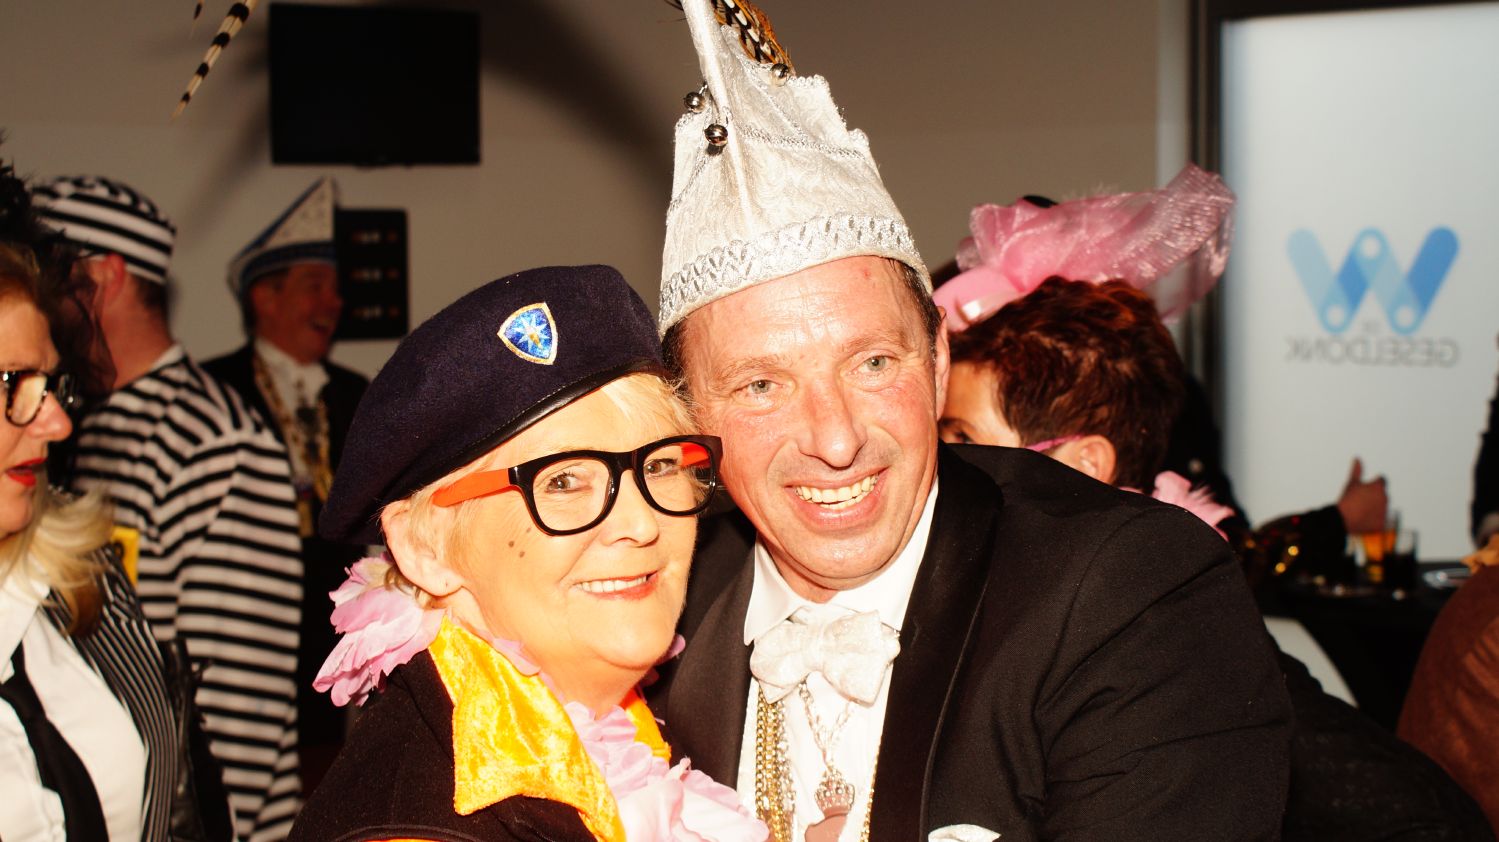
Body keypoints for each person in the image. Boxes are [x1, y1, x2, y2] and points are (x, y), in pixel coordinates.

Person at [646, 3, 1290, 840]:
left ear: (938, 362)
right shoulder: (648, 602)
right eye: (761, 385)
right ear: (689, 415)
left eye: (873, 364)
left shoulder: (1125, 591)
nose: (835, 440)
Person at [941, 275, 1493, 840]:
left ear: (1085, 466)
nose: (941, 464)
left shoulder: (1174, 637)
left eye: (962, 439)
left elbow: (1423, 819)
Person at [290, 264, 765, 841]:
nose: (641, 524)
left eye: (661, 465)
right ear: (424, 547)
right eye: (564, 481)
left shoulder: (627, 727)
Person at [33, 175, 305, 841]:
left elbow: (235, 717)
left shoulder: (215, 440)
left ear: (106, 277)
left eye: (51, 277)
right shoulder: (71, 423)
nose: (38, 298)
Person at [1, 161, 231, 841]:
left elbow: (194, 778)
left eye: (51, 384)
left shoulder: (77, 577)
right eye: (14, 383)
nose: (57, 423)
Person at [202, 177, 369, 791]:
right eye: (314, 286)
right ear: (265, 298)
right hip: (244, 638)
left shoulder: (356, 394)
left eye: (335, 288)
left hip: (334, 641)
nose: (334, 301)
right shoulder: (212, 393)